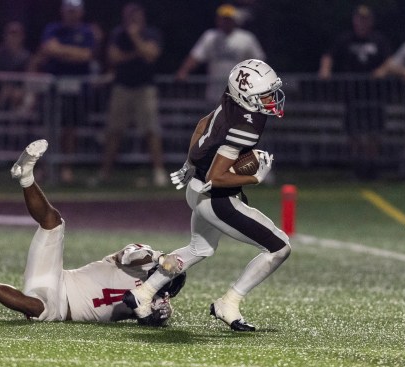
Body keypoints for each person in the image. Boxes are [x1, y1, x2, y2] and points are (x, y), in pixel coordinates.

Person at [123, 59, 291, 332]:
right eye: (265, 95)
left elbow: (203, 124)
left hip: (196, 190)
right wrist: (254, 177)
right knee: (279, 248)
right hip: (217, 199)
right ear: (246, 96)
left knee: (200, 248)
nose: (272, 99)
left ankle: (143, 294)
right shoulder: (245, 127)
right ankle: (229, 301)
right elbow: (217, 177)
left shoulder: (230, 101)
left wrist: (190, 163)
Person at [0, 139, 185, 324]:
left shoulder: (154, 298)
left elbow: (146, 319)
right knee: (54, 222)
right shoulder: (145, 261)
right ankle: (26, 175)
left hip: (63, 310)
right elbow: (128, 254)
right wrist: (158, 258)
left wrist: (159, 316)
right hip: (60, 279)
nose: (160, 285)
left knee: (39, 309)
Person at [90, 2, 167, 188]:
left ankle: (159, 172)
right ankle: (105, 173)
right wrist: (137, 52)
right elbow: (113, 58)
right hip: (122, 87)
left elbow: (151, 55)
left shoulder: (151, 33)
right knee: (114, 131)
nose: (133, 19)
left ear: (142, 16)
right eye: (129, 16)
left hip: (145, 87)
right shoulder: (118, 34)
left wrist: (134, 39)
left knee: (151, 130)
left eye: (136, 15)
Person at [317, 5, 392, 180]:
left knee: (374, 132)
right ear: (354, 21)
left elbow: (390, 60)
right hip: (352, 95)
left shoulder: (378, 40)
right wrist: (325, 69)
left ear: (371, 21)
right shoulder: (345, 39)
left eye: (365, 19)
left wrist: (382, 70)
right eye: (359, 19)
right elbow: (329, 55)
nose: (362, 23)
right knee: (353, 132)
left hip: (374, 95)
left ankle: (372, 167)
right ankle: (358, 166)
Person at [28, 0, 95, 184]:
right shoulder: (53, 28)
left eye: (74, 11)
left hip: (75, 89)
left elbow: (86, 56)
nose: (71, 14)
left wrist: (60, 51)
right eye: (68, 10)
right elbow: (48, 49)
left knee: (70, 130)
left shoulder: (86, 31)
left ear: (80, 12)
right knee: (48, 131)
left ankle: (66, 168)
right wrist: (71, 53)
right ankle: (44, 168)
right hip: (52, 88)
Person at [175, 3, 265, 107]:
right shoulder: (210, 37)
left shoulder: (246, 38)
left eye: (229, 19)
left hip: (240, 92)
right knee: (216, 121)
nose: (226, 22)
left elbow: (259, 61)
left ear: (234, 20)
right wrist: (183, 71)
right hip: (215, 92)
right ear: (218, 19)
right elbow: (196, 56)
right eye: (223, 18)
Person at [0, 21, 31, 111]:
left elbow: (28, 78)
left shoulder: (26, 56)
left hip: (20, 91)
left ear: (22, 36)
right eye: (11, 33)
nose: (13, 37)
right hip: (0, 91)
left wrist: (19, 91)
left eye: (17, 34)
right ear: (5, 36)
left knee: (29, 99)